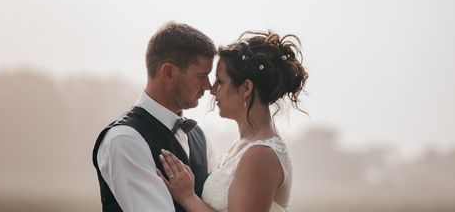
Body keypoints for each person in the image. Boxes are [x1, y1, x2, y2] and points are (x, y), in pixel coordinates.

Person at [158, 31, 309, 212]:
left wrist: (188, 197)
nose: (212, 90)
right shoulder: (246, 143)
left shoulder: (260, 154)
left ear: (246, 88)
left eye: (220, 81)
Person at [92, 22, 218, 212]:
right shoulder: (125, 140)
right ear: (169, 72)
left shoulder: (200, 137)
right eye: (201, 76)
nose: (209, 86)